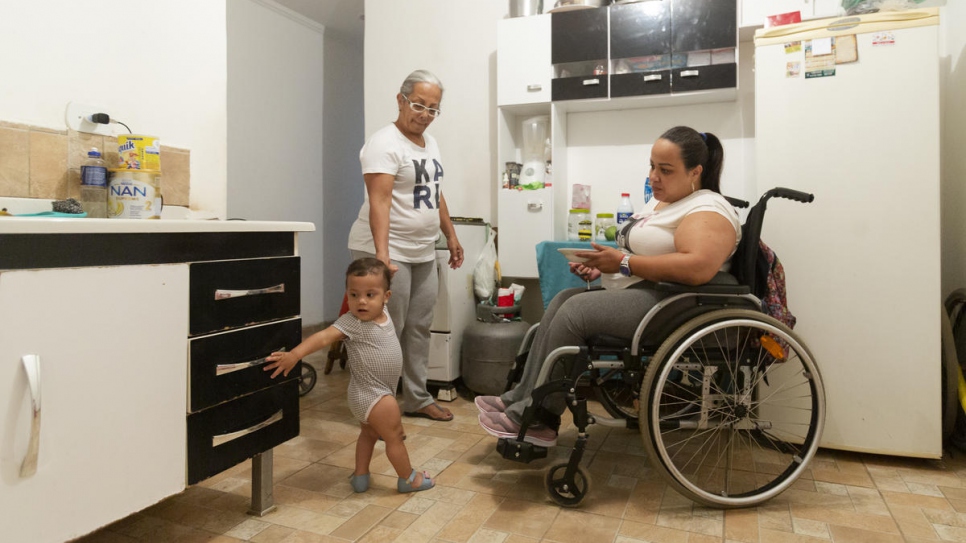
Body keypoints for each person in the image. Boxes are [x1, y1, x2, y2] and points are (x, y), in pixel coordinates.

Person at [476, 126, 742, 447]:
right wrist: (603, 268)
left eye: (665, 170)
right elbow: (646, 254)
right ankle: (520, 397)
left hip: (673, 302)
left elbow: (697, 266)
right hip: (647, 292)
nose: (653, 176)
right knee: (564, 298)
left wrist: (623, 264)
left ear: (695, 172)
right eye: (652, 166)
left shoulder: (706, 209)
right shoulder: (667, 203)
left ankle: (539, 419)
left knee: (575, 312)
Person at [347, 69, 463, 422]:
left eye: (433, 108)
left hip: (422, 249)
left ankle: (415, 397)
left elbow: (434, 193)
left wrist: (451, 234)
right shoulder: (384, 143)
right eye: (418, 105)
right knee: (383, 330)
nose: (425, 114)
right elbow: (379, 201)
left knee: (419, 326)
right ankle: (373, 402)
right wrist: (381, 258)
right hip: (387, 249)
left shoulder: (431, 143)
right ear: (400, 100)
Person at [264, 258, 434, 493]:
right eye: (353, 295)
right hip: (376, 396)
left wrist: (388, 270)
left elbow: (381, 281)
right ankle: (408, 478)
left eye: (369, 295)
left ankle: (360, 475)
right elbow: (323, 337)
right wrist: (294, 355)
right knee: (394, 436)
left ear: (386, 297)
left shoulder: (382, 312)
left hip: (365, 394)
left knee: (368, 433)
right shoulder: (352, 323)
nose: (361, 301)